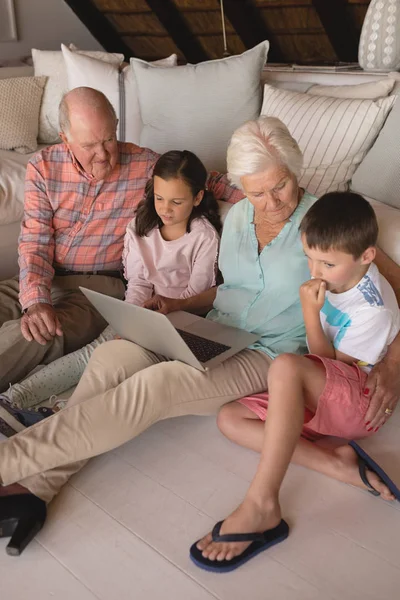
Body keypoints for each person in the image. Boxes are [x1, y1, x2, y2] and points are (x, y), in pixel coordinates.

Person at [0, 117, 399, 557]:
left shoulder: (326, 223)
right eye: (255, 190)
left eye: (280, 186)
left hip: (270, 351)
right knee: (115, 358)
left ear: (295, 170)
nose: (269, 203)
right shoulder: (241, 214)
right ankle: (36, 489)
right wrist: (176, 306)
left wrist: (393, 362)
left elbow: (391, 286)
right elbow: (233, 288)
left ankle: (9, 465)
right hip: (214, 329)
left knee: (156, 387)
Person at [190, 191, 400, 572]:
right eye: (309, 257)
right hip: (324, 390)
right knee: (229, 418)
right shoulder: (335, 280)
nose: (315, 270)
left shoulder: (373, 310)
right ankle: (337, 464)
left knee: (286, 366)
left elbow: (327, 364)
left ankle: (262, 503)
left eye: (327, 263)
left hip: (360, 403)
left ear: (367, 257)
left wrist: (309, 314)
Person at [0, 87, 242, 392]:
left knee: (31, 334)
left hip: (96, 288)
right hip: (42, 278)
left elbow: (200, 182)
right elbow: (35, 242)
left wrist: (269, 195)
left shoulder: (143, 165)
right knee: (30, 313)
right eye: (89, 145)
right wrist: (35, 300)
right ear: (66, 138)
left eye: (109, 140)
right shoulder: (43, 167)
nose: (102, 154)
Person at [0, 150, 221, 410]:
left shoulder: (203, 237)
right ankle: (15, 398)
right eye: (160, 198)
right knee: (94, 350)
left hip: (182, 318)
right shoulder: (143, 226)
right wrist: (129, 320)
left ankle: (64, 410)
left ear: (197, 198)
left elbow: (195, 296)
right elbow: (138, 282)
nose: (165, 209)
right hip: (143, 312)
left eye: (176, 202)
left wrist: (153, 323)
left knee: (113, 361)